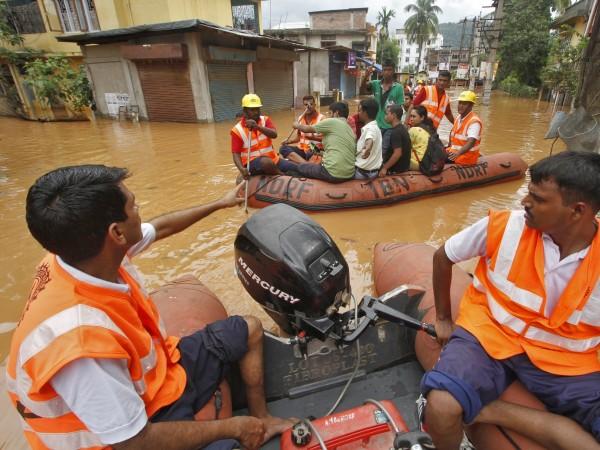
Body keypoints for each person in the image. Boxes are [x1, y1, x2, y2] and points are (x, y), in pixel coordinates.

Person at [7, 165, 295, 450]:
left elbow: (161, 227)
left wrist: (221, 203)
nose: (139, 208)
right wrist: (234, 427)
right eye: (134, 205)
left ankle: (263, 418)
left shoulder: (80, 253)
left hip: (159, 377)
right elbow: (133, 441)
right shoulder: (80, 346)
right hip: (127, 433)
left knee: (249, 329)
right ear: (116, 233)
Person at [422, 151, 600, 450]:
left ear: (577, 211)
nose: (524, 202)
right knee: (440, 406)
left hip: (565, 361)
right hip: (489, 335)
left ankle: (492, 411)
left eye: (538, 198)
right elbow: (443, 256)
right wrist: (442, 318)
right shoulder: (507, 227)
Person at [231, 94, 295, 179]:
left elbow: (274, 135)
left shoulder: (265, 120)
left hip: (273, 160)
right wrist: (241, 169)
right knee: (266, 162)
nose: (256, 112)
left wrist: (257, 127)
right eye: (252, 110)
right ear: (245, 111)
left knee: (296, 168)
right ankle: (282, 176)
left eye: (257, 109)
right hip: (252, 164)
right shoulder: (237, 130)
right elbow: (236, 154)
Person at [290, 102, 356, 183]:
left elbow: (306, 129)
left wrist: (296, 125)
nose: (329, 116)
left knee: (301, 167)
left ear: (336, 113)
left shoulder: (332, 122)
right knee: (312, 154)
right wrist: (319, 153)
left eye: (330, 113)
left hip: (333, 173)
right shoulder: (350, 130)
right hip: (349, 174)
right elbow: (337, 150)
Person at [360, 60, 405, 158]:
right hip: (375, 124)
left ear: (393, 71)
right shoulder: (376, 84)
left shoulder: (398, 88)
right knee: (371, 147)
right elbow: (362, 91)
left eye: (389, 70)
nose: (387, 72)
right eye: (385, 70)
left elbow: (400, 109)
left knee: (383, 150)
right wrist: (366, 76)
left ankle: (379, 169)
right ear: (381, 71)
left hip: (389, 126)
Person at [280, 95, 324, 163]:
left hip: (314, 149)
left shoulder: (322, 118)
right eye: (306, 105)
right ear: (303, 106)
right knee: (283, 149)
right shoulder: (300, 118)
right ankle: (306, 164)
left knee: (312, 152)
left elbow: (326, 139)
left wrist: (314, 138)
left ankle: (302, 163)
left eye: (311, 104)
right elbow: (298, 138)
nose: (308, 107)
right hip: (302, 149)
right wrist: (289, 142)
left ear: (315, 105)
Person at [446, 91, 482, 165]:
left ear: (471, 105)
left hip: (466, 157)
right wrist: (449, 146)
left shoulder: (474, 122)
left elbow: (471, 142)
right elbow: (452, 132)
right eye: (460, 103)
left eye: (464, 104)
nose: (460, 106)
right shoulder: (458, 118)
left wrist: (458, 153)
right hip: (454, 152)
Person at [379, 104, 411, 177]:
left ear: (393, 115)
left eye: (387, 114)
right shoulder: (402, 128)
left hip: (396, 169)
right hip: (404, 166)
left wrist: (385, 168)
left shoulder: (395, 132)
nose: (385, 117)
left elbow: (397, 154)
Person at [354, 98, 383, 180]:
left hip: (362, 173)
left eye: (360, 111)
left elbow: (369, 139)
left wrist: (368, 148)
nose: (358, 113)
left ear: (365, 113)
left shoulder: (370, 129)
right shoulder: (376, 127)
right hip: (372, 172)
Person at [408, 105, 436, 171]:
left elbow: (404, 149)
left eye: (414, 116)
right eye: (410, 116)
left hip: (420, 164)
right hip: (429, 163)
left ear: (422, 117)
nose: (411, 119)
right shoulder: (431, 129)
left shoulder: (413, 130)